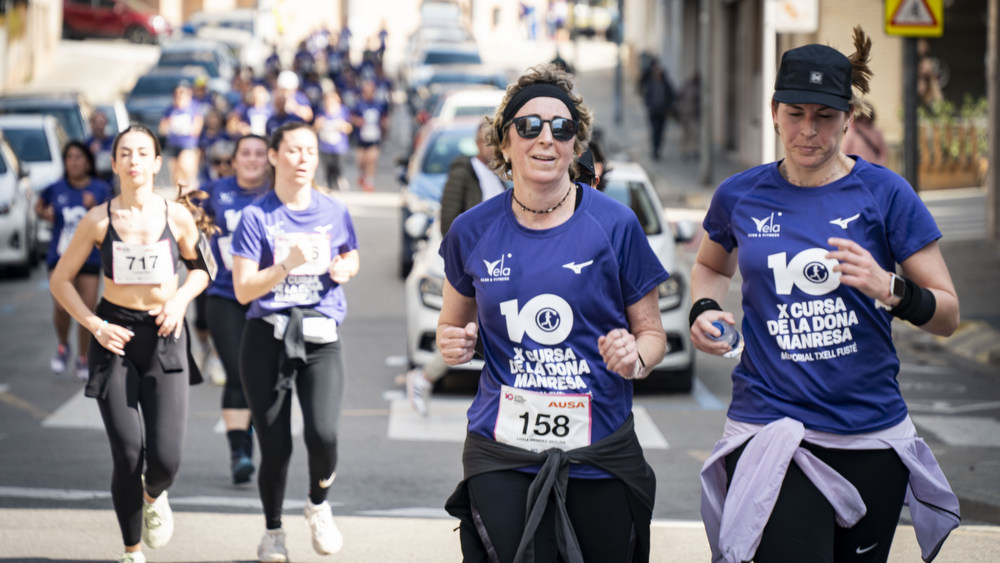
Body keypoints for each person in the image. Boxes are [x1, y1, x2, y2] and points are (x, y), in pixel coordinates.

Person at [691, 28, 961, 563]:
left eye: (825, 116)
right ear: (774, 112)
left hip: (868, 434)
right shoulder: (740, 194)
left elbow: (948, 314)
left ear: (849, 118)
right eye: (795, 114)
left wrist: (891, 288)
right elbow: (709, 265)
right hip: (770, 425)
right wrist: (705, 308)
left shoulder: (885, 194)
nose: (808, 130)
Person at [438, 63, 667, 562]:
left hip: (599, 451)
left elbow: (652, 335)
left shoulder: (615, 224)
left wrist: (635, 358)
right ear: (504, 143)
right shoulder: (471, 231)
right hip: (502, 451)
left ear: (575, 144)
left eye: (561, 128)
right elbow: (451, 326)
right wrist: (453, 343)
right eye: (529, 126)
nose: (546, 138)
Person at [48, 124, 212, 563]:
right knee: (126, 454)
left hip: (164, 334)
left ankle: (154, 495)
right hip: (114, 337)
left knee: (166, 461)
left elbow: (201, 270)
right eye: (125, 153)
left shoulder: (177, 217)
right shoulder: (98, 220)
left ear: (157, 163)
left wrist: (179, 300)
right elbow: (60, 280)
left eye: (143, 153)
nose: (134, 160)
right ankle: (132, 550)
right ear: (115, 162)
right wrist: (93, 325)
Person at [229, 122, 360, 562]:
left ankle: (318, 505)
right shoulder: (256, 217)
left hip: (321, 336)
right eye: (293, 150)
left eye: (310, 150)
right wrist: (285, 264)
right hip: (267, 338)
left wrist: (346, 268)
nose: (303, 158)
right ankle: (273, 532)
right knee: (276, 447)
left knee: (324, 435)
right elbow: (243, 289)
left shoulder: (334, 210)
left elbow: (350, 253)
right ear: (273, 156)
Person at [405, 118, 506, 415]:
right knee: (470, 327)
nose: (493, 148)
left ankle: (426, 378)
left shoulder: (499, 176)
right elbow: (450, 222)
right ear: (476, 143)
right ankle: (424, 378)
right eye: (487, 142)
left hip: (499, 265)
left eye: (497, 143)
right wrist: (471, 259)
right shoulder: (464, 171)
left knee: (489, 328)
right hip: (476, 266)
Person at [200, 134, 271, 484]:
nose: (253, 159)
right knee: (236, 370)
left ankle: (252, 436)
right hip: (225, 294)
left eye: (260, 153)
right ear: (235, 159)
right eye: (246, 153)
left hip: (269, 297)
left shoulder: (276, 193)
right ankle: (239, 452)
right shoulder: (216, 190)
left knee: (262, 376)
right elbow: (186, 225)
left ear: (270, 159)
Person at [36, 140, 112, 381]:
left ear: (88, 162)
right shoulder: (55, 188)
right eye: (69, 157)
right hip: (60, 255)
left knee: (86, 310)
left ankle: (82, 357)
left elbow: (111, 217)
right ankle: (62, 346)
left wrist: (94, 207)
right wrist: (44, 213)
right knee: (61, 306)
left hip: (90, 256)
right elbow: (39, 205)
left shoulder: (100, 188)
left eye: (79, 157)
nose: (74, 162)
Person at [160, 81, 204, 191]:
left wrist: (182, 127)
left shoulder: (194, 107)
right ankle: (180, 195)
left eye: (183, 93)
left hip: (188, 144)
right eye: (177, 93)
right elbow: (163, 129)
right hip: (173, 144)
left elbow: (197, 128)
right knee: (175, 174)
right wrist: (169, 124)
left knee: (185, 166)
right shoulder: (170, 109)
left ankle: (192, 189)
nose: (179, 96)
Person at [350, 79, 389, 192]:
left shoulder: (379, 105)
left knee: (372, 160)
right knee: (361, 162)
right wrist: (357, 121)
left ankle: (370, 181)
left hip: (374, 137)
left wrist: (385, 129)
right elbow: (351, 117)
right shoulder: (359, 104)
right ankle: (363, 175)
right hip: (362, 137)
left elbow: (384, 118)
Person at [313, 88, 353, 191]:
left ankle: (338, 181)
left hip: (339, 147)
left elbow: (349, 127)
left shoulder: (342, 111)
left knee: (337, 167)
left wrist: (342, 126)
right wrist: (318, 124)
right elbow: (315, 128)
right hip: (325, 146)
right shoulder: (321, 112)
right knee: (328, 168)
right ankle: (329, 186)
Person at [642, 59, 675, 160]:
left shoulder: (666, 84)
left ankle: (658, 149)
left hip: (662, 112)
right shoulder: (651, 83)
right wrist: (648, 106)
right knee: (654, 131)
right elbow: (647, 96)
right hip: (653, 112)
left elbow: (671, 96)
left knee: (660, 132)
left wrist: (667, 107)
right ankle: (654, 150)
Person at [674, 72, 701, 161]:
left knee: (695, 133)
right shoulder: (685, 85)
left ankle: (694, 150)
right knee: (685, 134)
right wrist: (679, 111)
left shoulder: (699, 86)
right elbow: (678, 98)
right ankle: (684, 151)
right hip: (685, 115)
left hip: (694, 115)